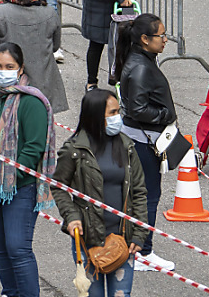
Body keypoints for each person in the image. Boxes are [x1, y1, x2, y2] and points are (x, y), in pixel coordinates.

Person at [0, 42, 57, 294]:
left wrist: (10, 175)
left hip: (20, 188)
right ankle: (10, 291)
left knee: (18, 248)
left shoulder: (31, 102)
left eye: (9, 66)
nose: (2, 71)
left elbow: (33, 149)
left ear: (20, 69)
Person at [53, 88, 149, 297]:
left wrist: (140, 233)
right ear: (96, 117)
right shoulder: (74, 150)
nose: (118, 118)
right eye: (112, 113)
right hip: (88, 240)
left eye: (118, 112)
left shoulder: (127, 146)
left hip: (123, 239)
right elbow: (58, 186)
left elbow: (139, 191)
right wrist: (71, 217)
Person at [115, 13, 176, 272]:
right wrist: (166, 115)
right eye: (161, 35)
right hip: (143, 141)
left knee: (140, 195)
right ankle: (143, 251)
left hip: (141, 139)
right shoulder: (140, 67)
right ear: (144, 39)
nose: (165, 40)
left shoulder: (141, 60)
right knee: (148, 196)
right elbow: (138, 109)